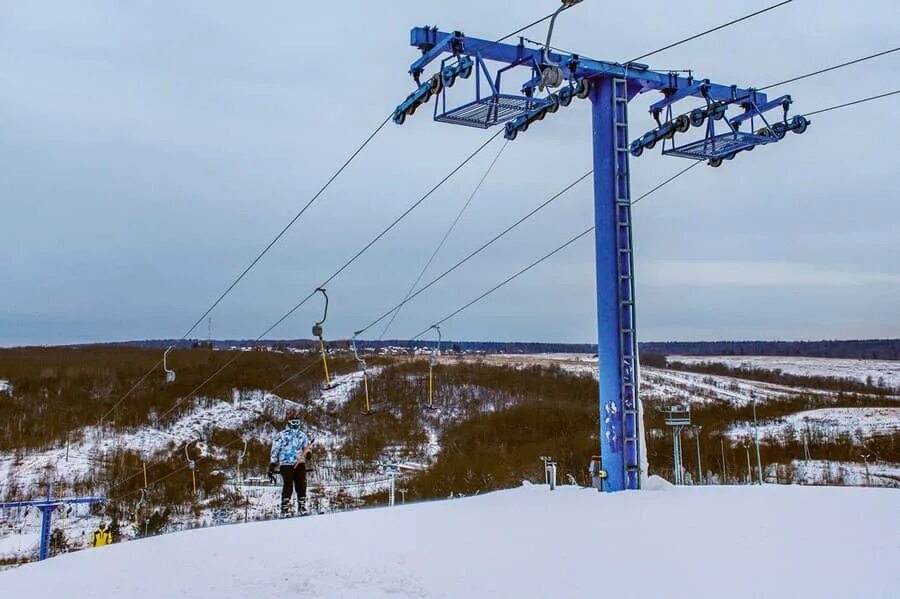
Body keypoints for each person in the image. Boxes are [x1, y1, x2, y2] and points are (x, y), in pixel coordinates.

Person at [269, 415, 313, 515]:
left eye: (297, 422)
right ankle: (284, 509)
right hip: (286, 464)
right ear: (289, 423)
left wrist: (308, 453)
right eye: (294, 422)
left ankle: (302, 507)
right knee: (288, 485)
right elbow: (275, 450)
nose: (296, 425)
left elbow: (306, 447)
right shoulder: (281, 435)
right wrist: (272, 463)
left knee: (301, 485)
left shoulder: (302, 435)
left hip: (300, 463)